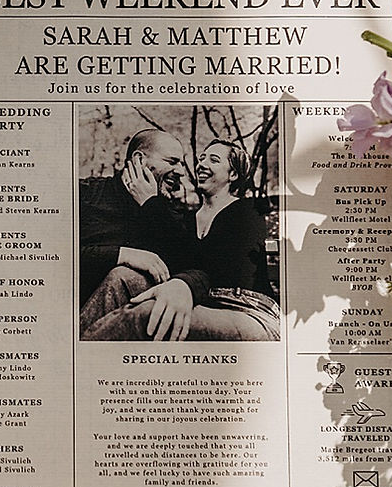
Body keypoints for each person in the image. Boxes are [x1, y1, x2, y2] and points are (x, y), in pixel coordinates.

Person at [84, 137, 280, 342]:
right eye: (202, 158)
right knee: (122, 277)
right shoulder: (187, 220)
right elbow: (176, 261)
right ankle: (75, 348)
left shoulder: (247, 211)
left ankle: (79, 358)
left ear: (233, 174)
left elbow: (213, 266)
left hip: (248, 311)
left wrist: (151, 203)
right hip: (200, 303)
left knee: (148, 314)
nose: (202, 163)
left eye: (213, 160)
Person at [77, 128, 203, 337]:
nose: (181, 171)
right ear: (138, 159)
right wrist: (122, 255)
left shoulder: (167, 212)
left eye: (181, 163)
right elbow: (48, 255)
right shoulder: (86, 195)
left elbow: (194, 263)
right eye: (172, 162)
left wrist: (150, 204)